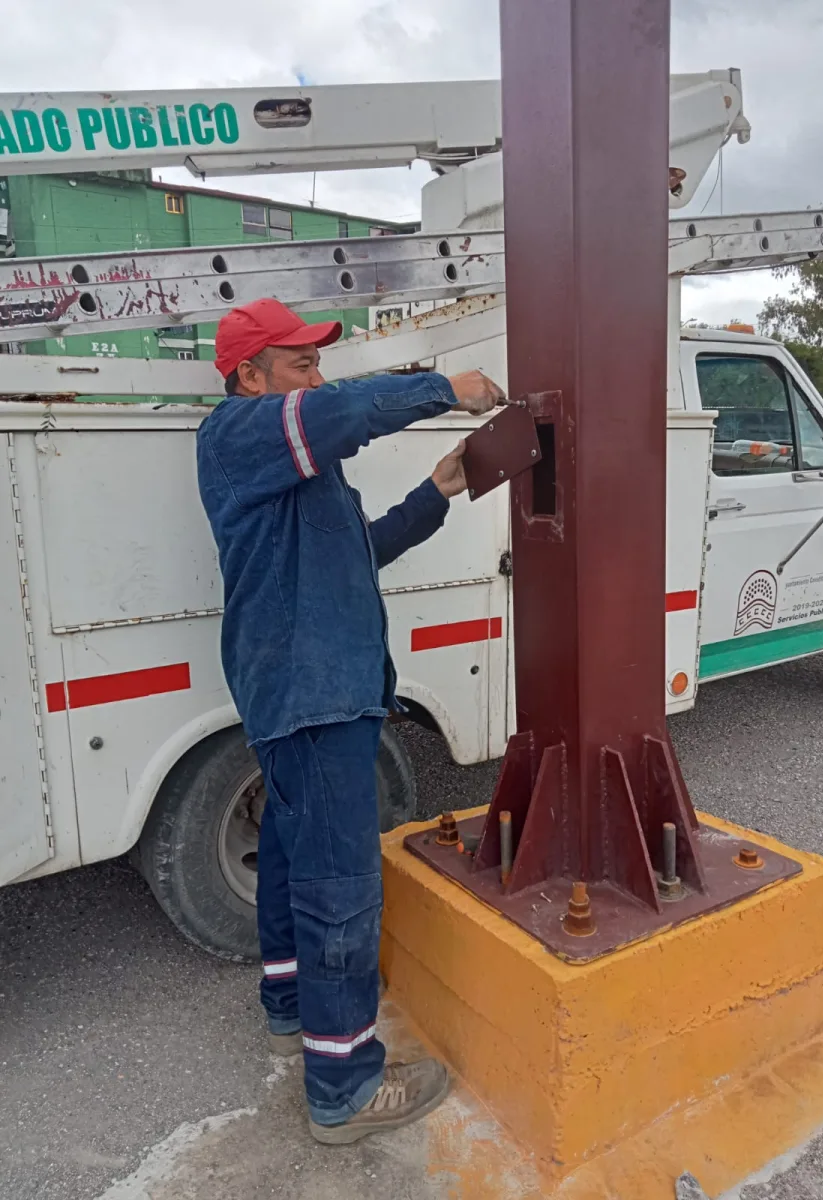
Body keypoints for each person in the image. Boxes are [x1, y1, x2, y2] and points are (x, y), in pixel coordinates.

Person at [196, 298, 507, 1145]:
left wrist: (441, 487)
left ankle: (291, 1005)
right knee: (340, 885)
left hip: (315, 690)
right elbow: (340, 411)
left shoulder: (294, 472)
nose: (316, 376)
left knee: (296, 859)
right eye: (301, 363)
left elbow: (359, 549)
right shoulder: (237, 432)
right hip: (312, 692)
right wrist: (445, 384)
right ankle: (344, 1086)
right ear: (251, 376)